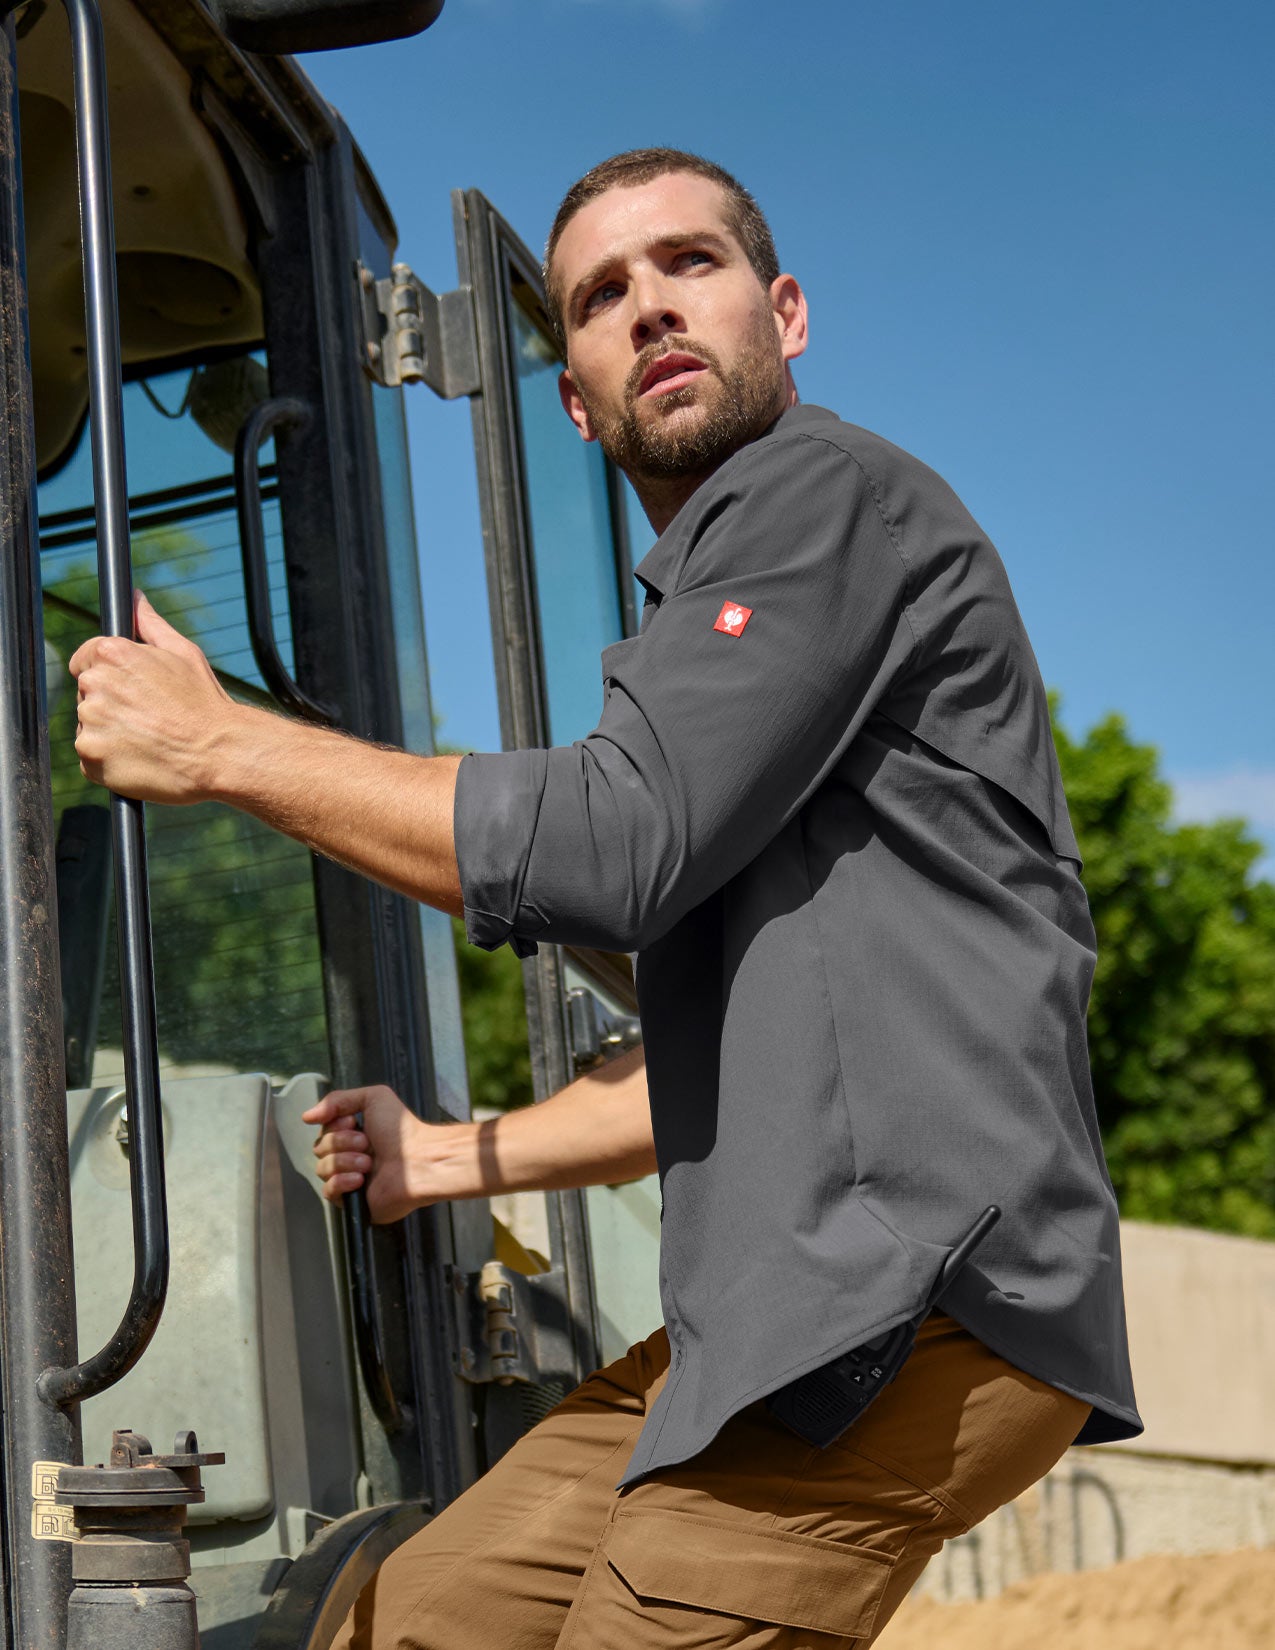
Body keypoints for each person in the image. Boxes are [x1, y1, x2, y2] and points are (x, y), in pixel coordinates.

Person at [71, 148, 1141, 1648]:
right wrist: (448, 1156)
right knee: (416, 1615)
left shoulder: (816, 494)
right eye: (602, 293)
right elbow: (718, 1068)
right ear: (570, 395)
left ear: (785, 312)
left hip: (902, 1304)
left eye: (690, 266)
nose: (650, 308)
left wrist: (222, 745)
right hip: (781, 1318)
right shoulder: (734, 679)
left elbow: (608, 838)